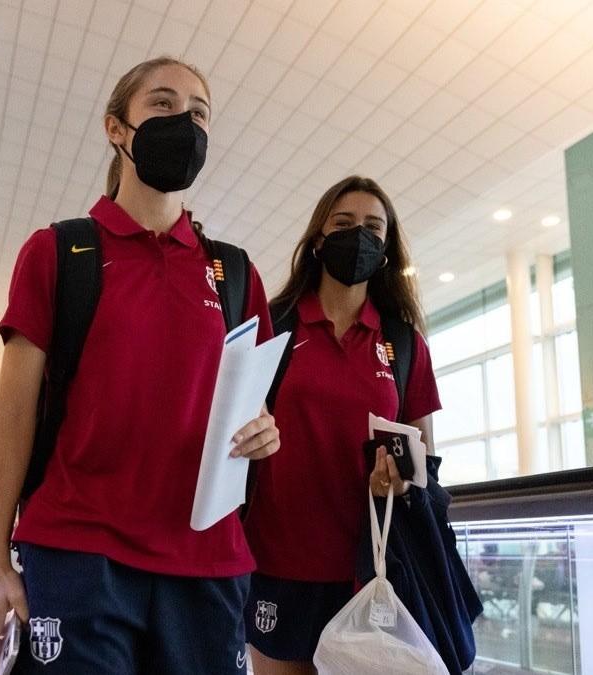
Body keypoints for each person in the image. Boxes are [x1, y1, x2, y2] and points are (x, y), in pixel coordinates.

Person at [0, 56, 280, 674]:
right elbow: (11, 417)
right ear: (117, 128)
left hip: (206, 562)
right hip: (79, 551)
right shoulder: (60, 252)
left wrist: (265, 431)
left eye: (199, 113)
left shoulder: (234, 274)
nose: (185, 122)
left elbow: (253, 408)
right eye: (163, 105)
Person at [242, 176, 442, 674]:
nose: (360, 236)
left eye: (374, 227)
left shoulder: (403, 343)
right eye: (344, 224)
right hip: (277, 564)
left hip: (371, 571)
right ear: (317, 240)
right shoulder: (274, 325)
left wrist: (399, 476)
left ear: (388, 248)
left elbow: (424, 466)